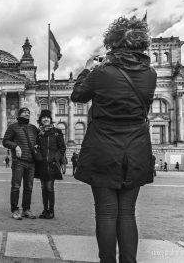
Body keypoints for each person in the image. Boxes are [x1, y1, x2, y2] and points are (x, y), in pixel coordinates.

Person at [71, 16, 157, 262]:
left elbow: (78, 95)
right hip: (137, 148)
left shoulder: (102, 72)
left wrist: (88, 67)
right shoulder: (150, 74)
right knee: (128, 213)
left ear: (112, 42)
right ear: (141, 43)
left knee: (107, 212)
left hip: (104, 147)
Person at [3, 107, 38, 220]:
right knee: (16, 186)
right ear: (19, 114)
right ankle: (15, 210)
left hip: (31, 162)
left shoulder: (33, 128)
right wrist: (15, 146)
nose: (27, 114)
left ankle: (26, 209)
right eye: (24, 112)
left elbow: (38, 141)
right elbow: (5, 141)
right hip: (19, 161)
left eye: (28, 112)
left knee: (29, 187)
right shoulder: (13, 127)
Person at [35, 109, 66, 219]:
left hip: (52, 164)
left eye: (48, 117)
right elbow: (36, 146)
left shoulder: (57, 132)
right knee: (43, 188)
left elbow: (62, 148)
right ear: (41, 120)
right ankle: (45, 210)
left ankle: (51, 211)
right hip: (42, 164)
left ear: (50, 119)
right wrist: (38, 155)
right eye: (43, 118)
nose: (46, 119)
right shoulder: (39, 133)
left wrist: (55, 158)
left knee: (49, 187)